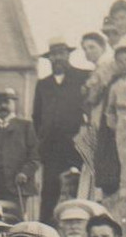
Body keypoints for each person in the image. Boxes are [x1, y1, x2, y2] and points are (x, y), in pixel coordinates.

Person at [31, 39, 89, 224]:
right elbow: (36, 116)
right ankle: (45, 230)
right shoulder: (43, 84)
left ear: (68, 55)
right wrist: (41, 140)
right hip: (51, 148)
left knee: (79, 188)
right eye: (54, 55)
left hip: (76, 145)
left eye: (61, 53)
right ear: (49, 58)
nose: (58, 58)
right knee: (50, 192)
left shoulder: (83, 77)